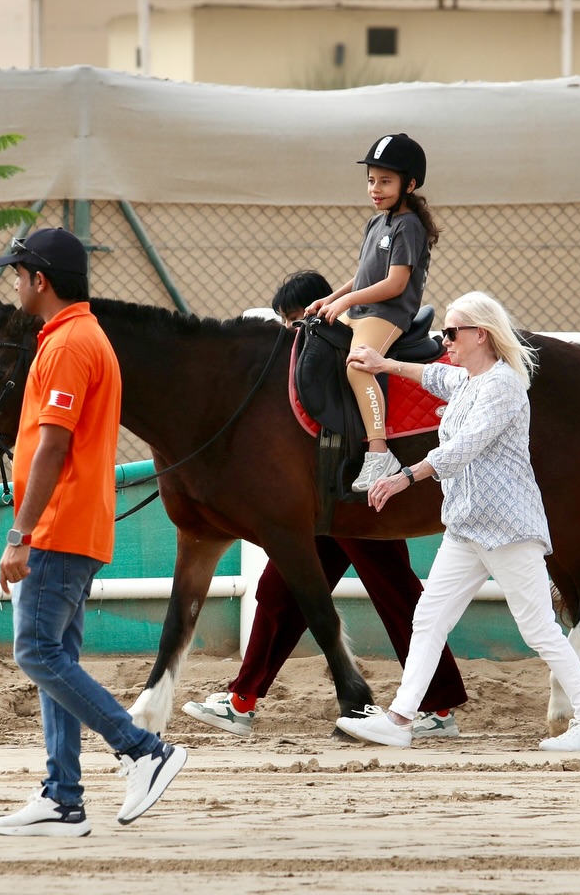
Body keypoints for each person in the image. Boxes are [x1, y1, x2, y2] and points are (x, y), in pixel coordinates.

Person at [183, 271, 467, 738]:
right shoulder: (311, 373)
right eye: (288, 323)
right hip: (331, 508)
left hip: (358, 503)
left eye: (297, 320)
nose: (295, 333)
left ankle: (437, 708)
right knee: (280, 593)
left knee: (394, 593)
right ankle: (242, 699)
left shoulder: (343, 363)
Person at [337, 292, 580, 752]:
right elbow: (432, 374)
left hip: (506, 527)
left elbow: (465, 446)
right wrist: (384, 365)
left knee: (539, 629)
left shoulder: (503, 386)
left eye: (452, 332)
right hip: (466, 526)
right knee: (428, 618)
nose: (445, 341)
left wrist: (406, 476)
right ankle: (400, 719)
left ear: (480, 334)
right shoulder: (467, 379)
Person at [0, 227, 187, 838]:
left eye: (18, 274)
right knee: (57, 657)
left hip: (57, 525)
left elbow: (53, 444)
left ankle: (143, 750)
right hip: (73, 523)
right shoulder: (74, 335)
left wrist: (20, 533)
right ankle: (63, 797)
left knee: (37, 653)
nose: (14, 283)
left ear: (39, 279)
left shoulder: (70, 343)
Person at [305, 133, 440, 493]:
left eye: (385, 181)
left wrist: (346, 304)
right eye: (370, 180)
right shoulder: (375, 223)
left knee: (359, 365)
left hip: (387, 314)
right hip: (361, 309)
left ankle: (379, 451)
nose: (374, 189)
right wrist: (330, 298)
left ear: (409, 184)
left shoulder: (409, 225)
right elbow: (364, 273)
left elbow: (396, 283)